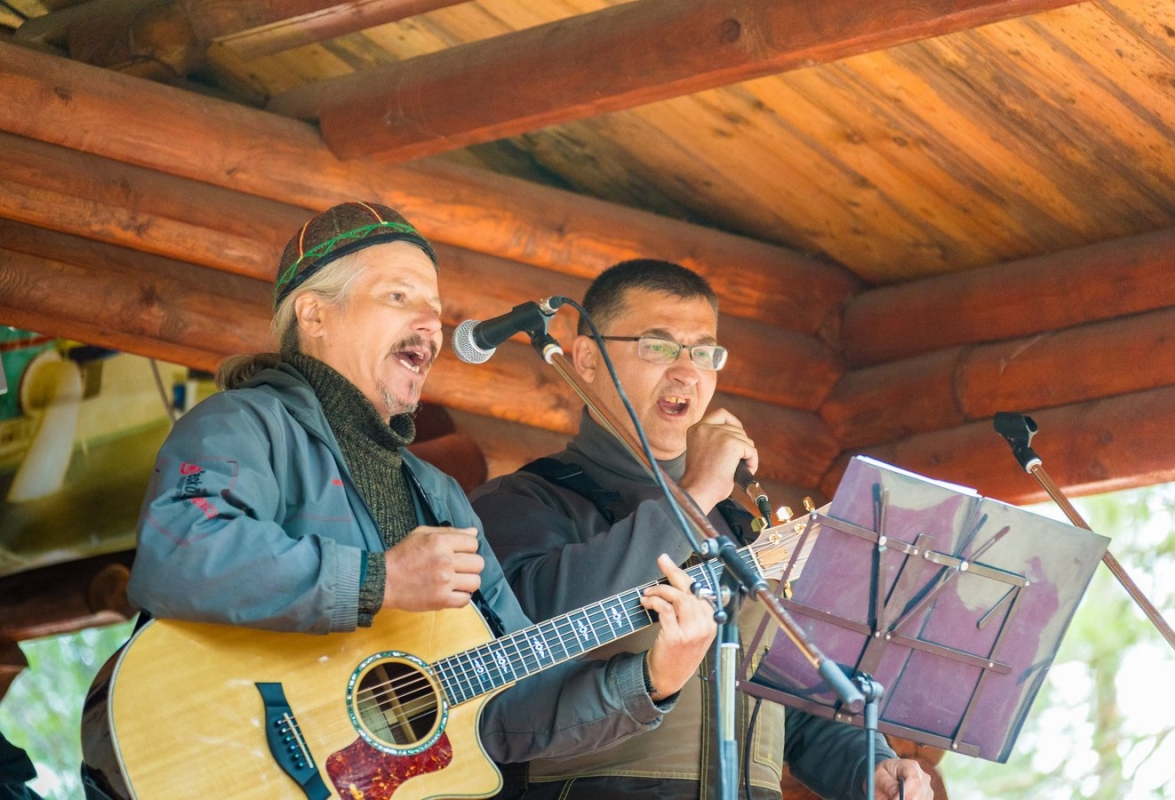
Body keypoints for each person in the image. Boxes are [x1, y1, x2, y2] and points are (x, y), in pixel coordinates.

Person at [119, 204, 716, 791]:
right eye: (399, 296)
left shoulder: (439, 495)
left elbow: (505, 708)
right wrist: (379, 581)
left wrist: (651, 680)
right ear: (315, 314)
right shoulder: (244, 423)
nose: (431, 324)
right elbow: (179, 551)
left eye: (435, 307)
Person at [469, 260, 935, 800]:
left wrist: (869, 767)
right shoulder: (522, 501)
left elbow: (793, 698)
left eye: (704, 353)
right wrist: (693, 494)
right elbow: (535, 631)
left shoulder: (735, 526)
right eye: (659, 347)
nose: (687, 373)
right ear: (588, 360)